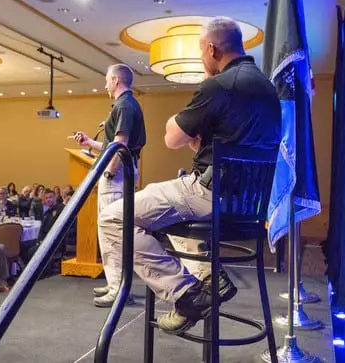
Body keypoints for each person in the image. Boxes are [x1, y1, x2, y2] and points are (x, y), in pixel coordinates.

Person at [98, 17, 282, 334]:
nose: (201, 59)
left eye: (200, 52)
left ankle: (187, 294)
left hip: (210, 195)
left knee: (114, 218)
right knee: (163, 208)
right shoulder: (268, 89)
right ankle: (210, 275)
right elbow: (231, 143)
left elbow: (172, 138)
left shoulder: (218, 86)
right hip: (250, 206)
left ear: (211, 49)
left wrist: (177, 119)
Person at [69, 63, 147, 307]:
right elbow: (112, 145)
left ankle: (118, 288)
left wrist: (109, 173)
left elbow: (120, 144)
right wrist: (89, 142)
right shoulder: (128, 104)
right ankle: (115, 282)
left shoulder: (124, 105)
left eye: (106, 80)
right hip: (123, 170)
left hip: (118, 173)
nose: (105, 85)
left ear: (115, 80)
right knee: (111, 231)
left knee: (110, 231)